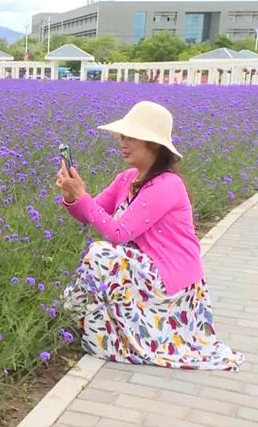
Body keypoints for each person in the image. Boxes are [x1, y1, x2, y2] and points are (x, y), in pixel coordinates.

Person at [55, 101, 243, 370]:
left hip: (172, 284)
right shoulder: (127, 177)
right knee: (102, 256)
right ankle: (81, 322)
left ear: (153, 145)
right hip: (142, 272)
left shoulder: (167, 185)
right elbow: (91, 213)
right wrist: (71, 197)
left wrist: (82, 196)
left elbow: (118, 233)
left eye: (131, 137)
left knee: (102, 253)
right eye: (122, 136)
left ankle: (92, 328)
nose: (123, 142)